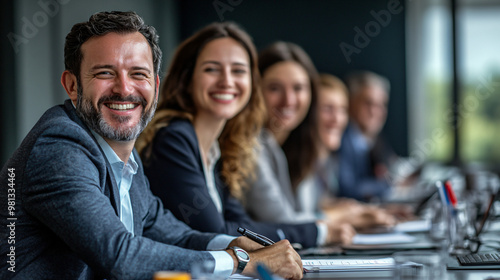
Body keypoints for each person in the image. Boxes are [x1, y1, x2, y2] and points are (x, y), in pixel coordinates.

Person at [0, 12, 302, 280]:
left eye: (138, 74)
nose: (124, 88)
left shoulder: (122, 157)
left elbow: (174, 233)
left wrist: (231, 244)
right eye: (105, 72)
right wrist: (240, 262)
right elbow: (120, 256)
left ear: (156, 86)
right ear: (72, 85)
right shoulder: (59, 146)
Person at [137, 23, 354, 251]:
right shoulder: (174, 139)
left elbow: (242, 227)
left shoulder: (219, 147)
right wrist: (318, 231)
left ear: (252, 83)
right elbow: (218, 233)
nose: (227, 81)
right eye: (212, 69)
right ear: (187, 78)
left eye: (238, 70)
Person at [244, 42, 394, 230]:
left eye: (298, 88)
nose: (288, 100)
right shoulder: (255, 145)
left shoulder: (281, 147)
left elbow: (297, 212)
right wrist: (343, 216)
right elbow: (283, 220)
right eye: (274, 88)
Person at [337, 70, 398, 202]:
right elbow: (348, 190)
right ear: (350, 103)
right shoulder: (339, 139)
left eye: (381, 105)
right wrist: (388, 184)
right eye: (368, 103)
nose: (375, 112)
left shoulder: (375, 139)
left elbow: (391, 167)